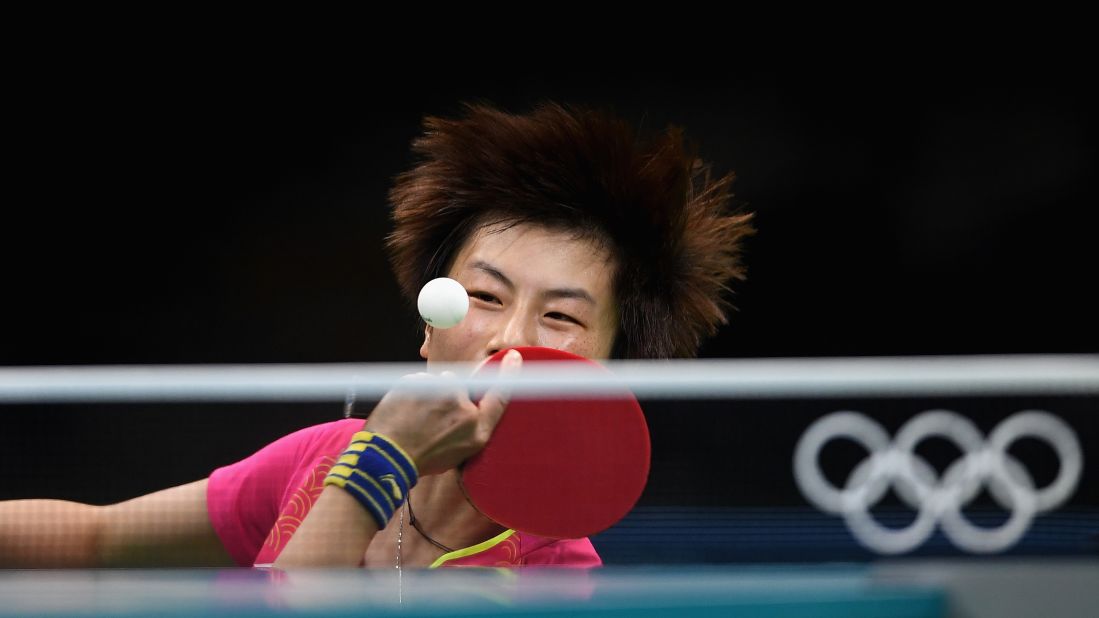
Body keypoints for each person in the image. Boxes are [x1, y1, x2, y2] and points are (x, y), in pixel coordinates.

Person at [0, 102, 754, 569]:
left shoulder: (553, 576)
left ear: (609, 367)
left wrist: (382, 462)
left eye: (559, 317)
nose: (511, 344)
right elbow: (92, 539)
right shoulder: (318, 457)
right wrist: (367, 457)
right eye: (484, 297)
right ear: (431, 328)